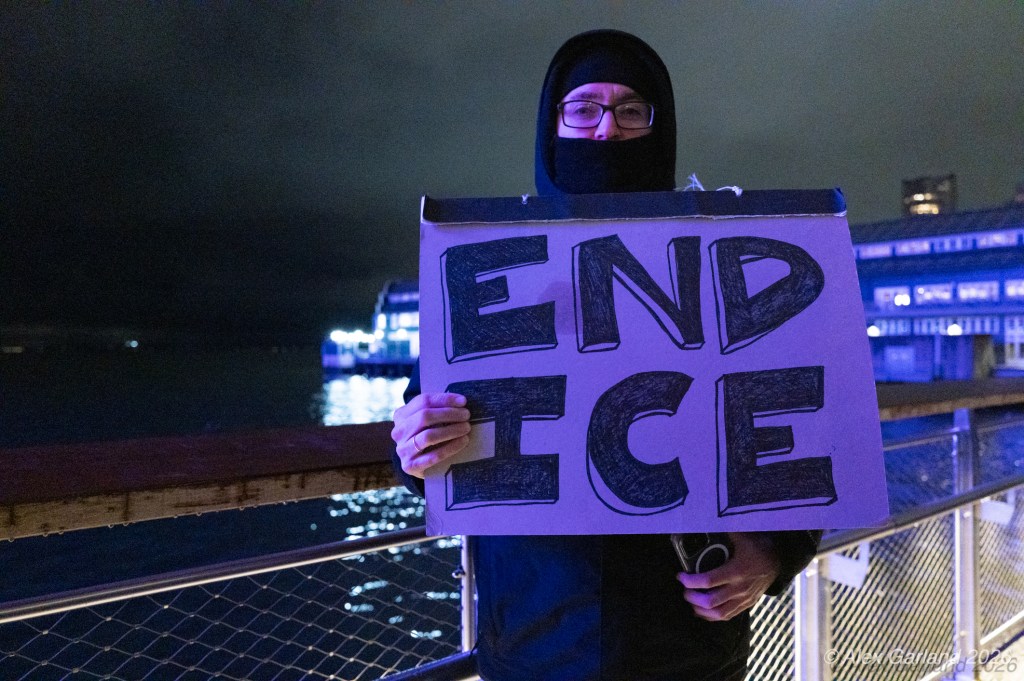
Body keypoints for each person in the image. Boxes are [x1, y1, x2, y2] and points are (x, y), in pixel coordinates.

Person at [391, 29, 821, 681]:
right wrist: (415, 444)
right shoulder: (493, 265)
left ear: (661, 127)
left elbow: (797, 419)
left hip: (690, 648)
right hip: (534, 642)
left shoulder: (720, 260)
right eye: (584, 107)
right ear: (552, 124)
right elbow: (432, 413)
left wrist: (776, 553)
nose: (605, 130)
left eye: (630, 110)